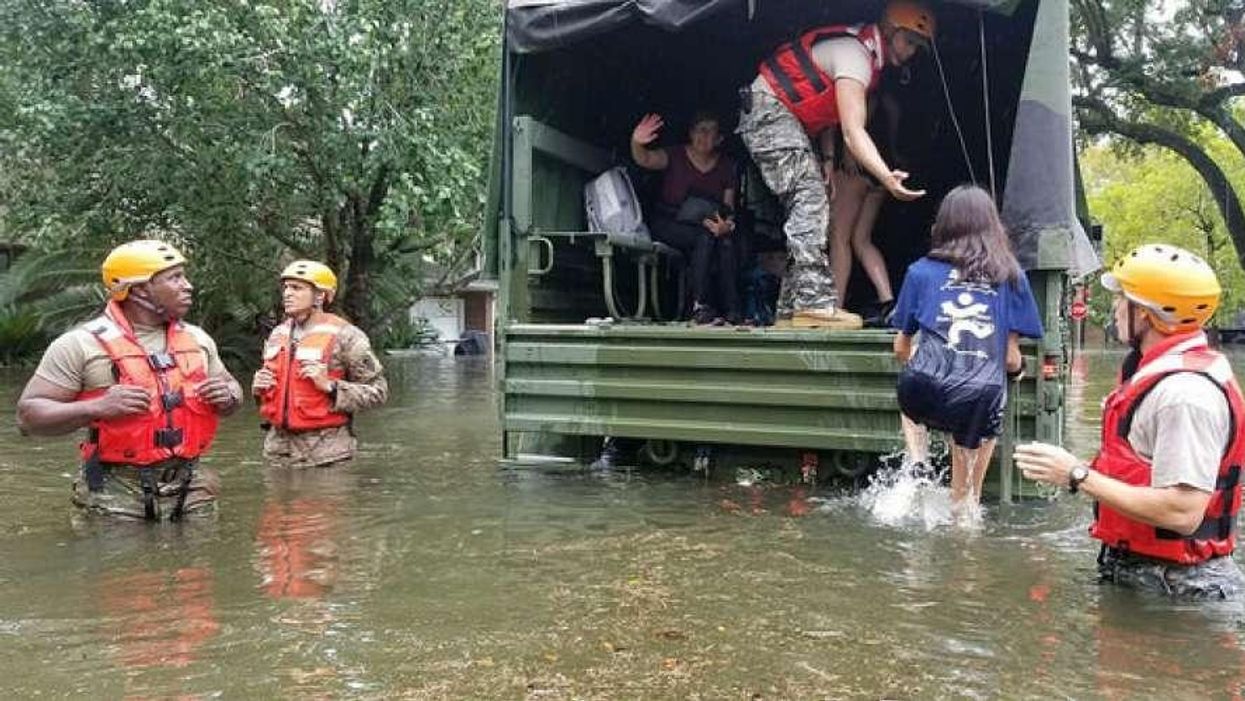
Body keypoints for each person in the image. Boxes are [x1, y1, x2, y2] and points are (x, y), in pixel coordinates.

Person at [1016, 243, 1245, 600]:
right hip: (1151, 577)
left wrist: (1077, 475)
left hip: (1180, 590)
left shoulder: (1185, 396)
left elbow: (1183, 512)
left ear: (1147, 314)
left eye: (1123, 298)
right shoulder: (1160, 374)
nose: (1116, 308)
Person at [737, 0, 933, 329]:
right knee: (810, 199)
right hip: (769, 110)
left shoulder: (863, 58)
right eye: (909, 41)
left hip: (785, 117)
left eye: (917, 46)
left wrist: (827, 159)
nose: (911, 51)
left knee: (810, 201)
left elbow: (827, 112)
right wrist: (886, 176)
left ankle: (791, 309)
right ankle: (812, 303)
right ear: (889, 31)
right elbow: (853, 131)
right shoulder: (856, 57)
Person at [15, 239, 243, 520]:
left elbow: (233, 390)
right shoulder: (79, 345)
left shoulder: (198, 339)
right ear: (138, 289)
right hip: (115, 491)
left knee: (199, 551)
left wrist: (229, 396)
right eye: (175, 278)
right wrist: (97, 407)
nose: (188, 286)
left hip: (192, 487)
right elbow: (27, 418)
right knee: (119, 552)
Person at [891, 185, 1043, 519]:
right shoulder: (1011, 276)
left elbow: (900, 346)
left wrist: (924, 361)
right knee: (965, 505)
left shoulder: (919, 271)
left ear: (942, 226)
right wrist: (1020, 372)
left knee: (914, 381)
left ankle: (918, 460)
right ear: (993, 227)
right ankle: (964, 534)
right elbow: (1009, 359)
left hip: (922, 388)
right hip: (978, 397)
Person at [252, 261, 388, 468]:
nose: (287, 294)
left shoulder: (347, 336)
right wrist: (258, 389)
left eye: (297, 288)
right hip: (277, 453)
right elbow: (270, 397)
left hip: (327, 455)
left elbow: (378, 393)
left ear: (320, 296)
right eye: (286, 287)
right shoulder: (277, 335)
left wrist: (331, 387)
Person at [631, 110, 741, 325]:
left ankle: (733, 310)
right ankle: (699, 305)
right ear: (690, 133)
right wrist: (636, 142)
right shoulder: (674, 155)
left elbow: (729, 208)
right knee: (704, 237)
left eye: (710, 131)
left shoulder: (726, 166)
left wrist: (727, 226)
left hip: (707, 224)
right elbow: (645, 159)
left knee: (725, 242)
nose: (704, 135)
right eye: (699, 130)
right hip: (669, 223)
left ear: (719, 139)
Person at [829, 88, 903, 327]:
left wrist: (848, 155)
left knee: (839, 238)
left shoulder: (858, 92)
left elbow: (855, 126)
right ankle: (887, 300)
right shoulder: (888, 99)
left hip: (855, 168)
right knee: (861, 240)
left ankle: (835, 306)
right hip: (880, 173)